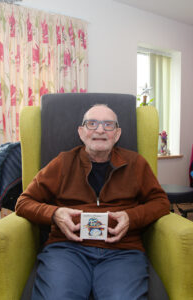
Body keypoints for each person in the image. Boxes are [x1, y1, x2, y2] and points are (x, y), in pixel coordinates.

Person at [16, 104, 170, 300]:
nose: (100, 130)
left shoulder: (136, 163)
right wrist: (55, 214)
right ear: (81, 132)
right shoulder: (63, 162)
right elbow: (23, 202)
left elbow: (161, 202)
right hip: (67, 249)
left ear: (117, 133)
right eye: (92, 124)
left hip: (122, 251)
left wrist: (131, 217)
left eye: (108, 125)